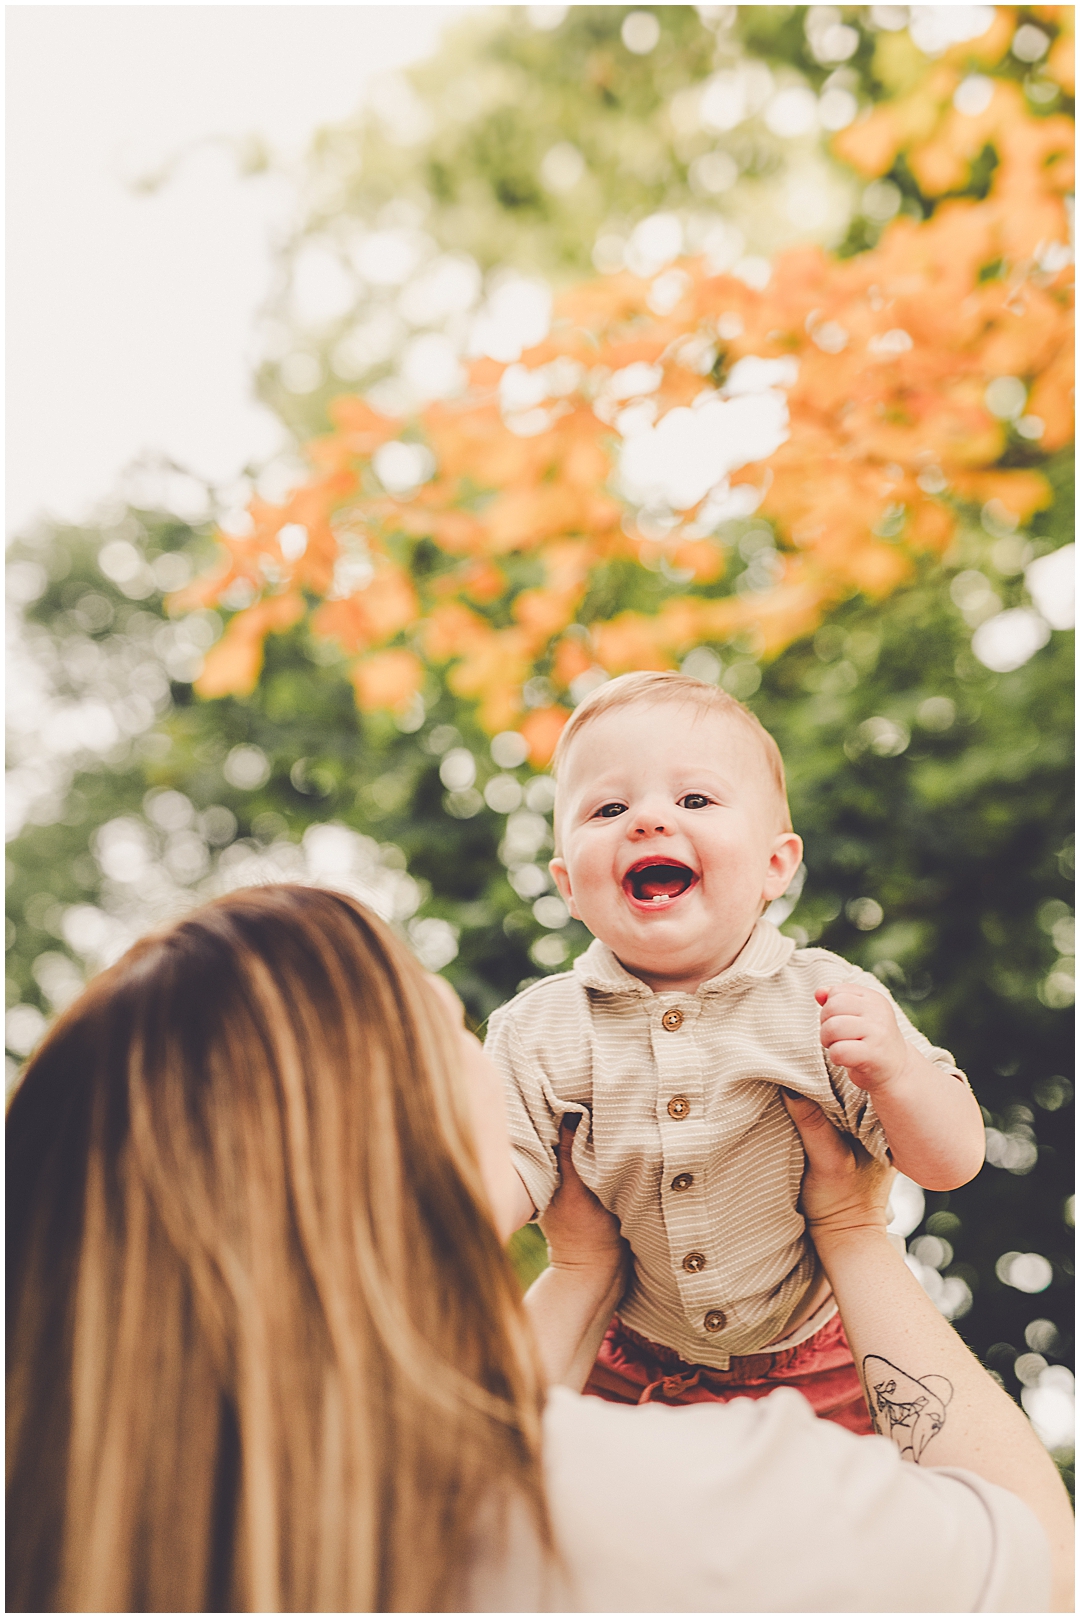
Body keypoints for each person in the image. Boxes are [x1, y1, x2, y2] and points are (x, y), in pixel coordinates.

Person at [6, 884, 1070, 1611]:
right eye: (454, 1027)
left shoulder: (55, 1543)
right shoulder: (664, 1510)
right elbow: (1033, 1564)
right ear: (404, 1150)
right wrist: (852, 1234)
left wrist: (584, 1269)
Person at [486, 670, 986, 1430]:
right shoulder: (541, 1030)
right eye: (609, 808)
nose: (648, 821)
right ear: (567, 884)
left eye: (694, 800)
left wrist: (897, 1074)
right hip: (624, 1361)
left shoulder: (823, 996)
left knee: (846, 1529)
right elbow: (493, 1186)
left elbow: (950, 1162)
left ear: (776, 866)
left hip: (821, 1355)